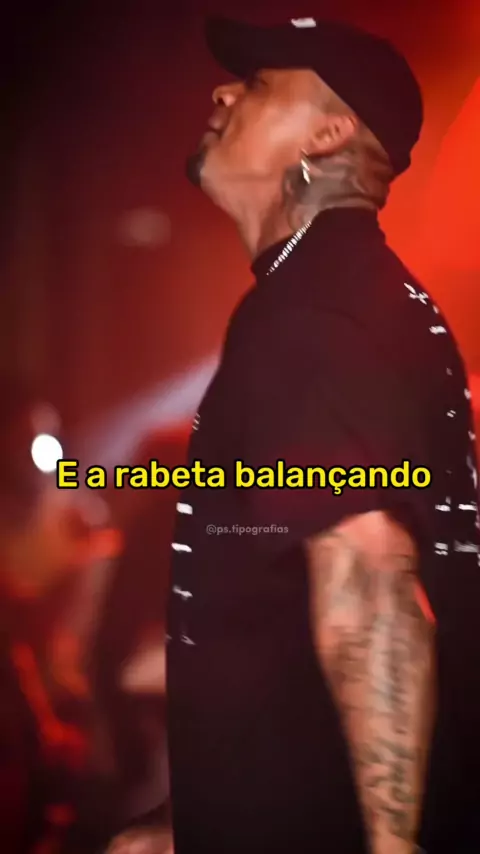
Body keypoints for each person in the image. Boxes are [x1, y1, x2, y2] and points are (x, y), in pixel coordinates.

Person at [166, 16, 480, 854]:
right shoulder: (345, 293)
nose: (222, 92)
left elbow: (372, 582)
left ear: (329, 132)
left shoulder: (317, 312)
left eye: (257, 84)